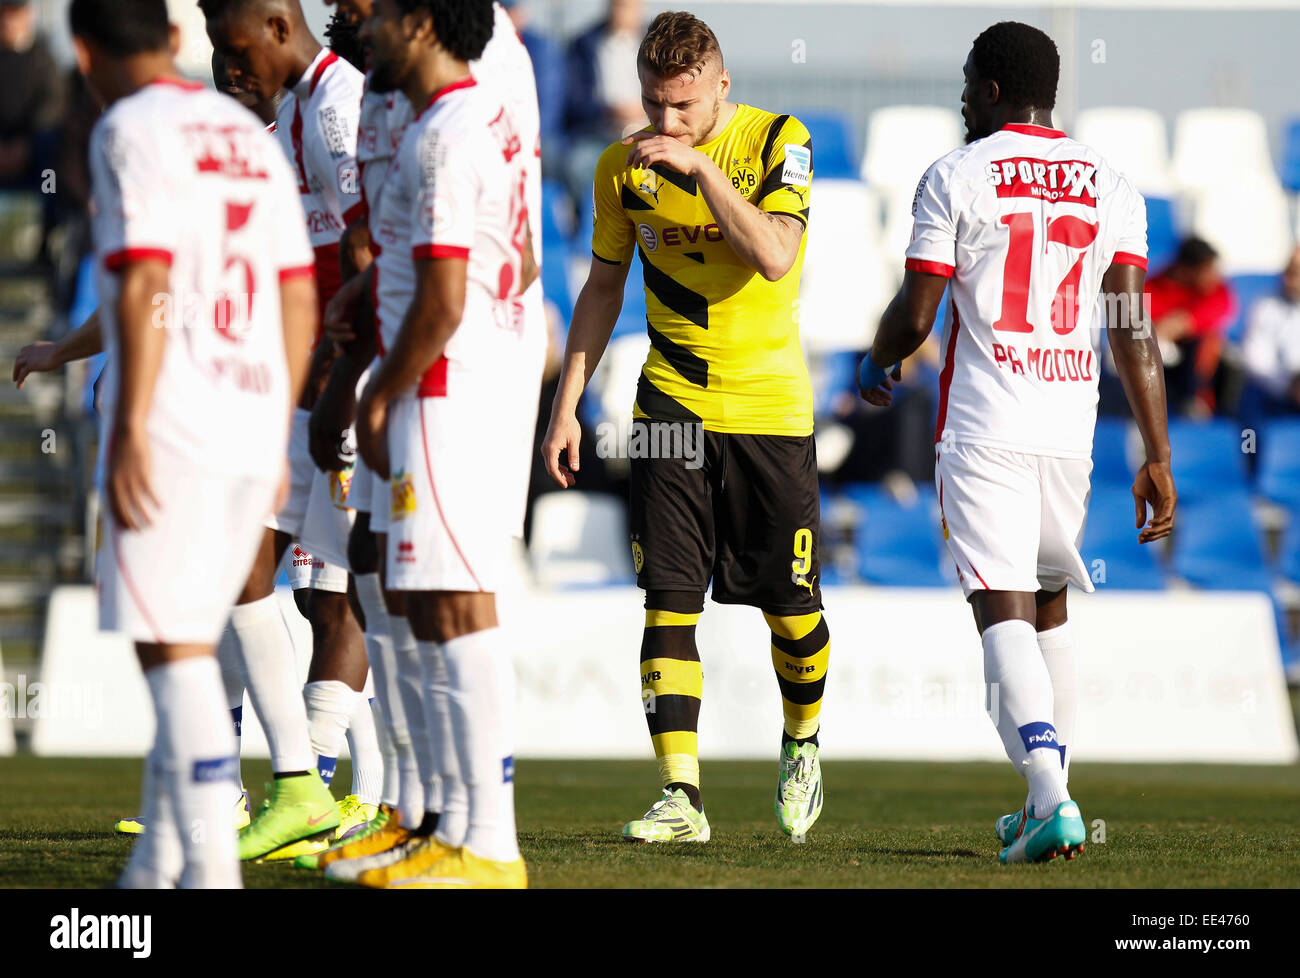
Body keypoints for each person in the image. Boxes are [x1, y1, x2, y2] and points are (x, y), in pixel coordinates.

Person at [858, 21, 1176, 864]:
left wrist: (876, 359)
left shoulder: (955, 174)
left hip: (985, 427)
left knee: (1000, 604)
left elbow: (918, 313)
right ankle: (1047, 796)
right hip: (1069, 430)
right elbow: (1131, 325)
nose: (961, 97)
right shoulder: (1111, 181)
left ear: (993, 89)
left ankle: (1051, 798)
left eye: (967, 82)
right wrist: (1159, 452)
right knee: (1048, 604)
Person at [542, 11, 830, 844]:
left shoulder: (780, 140)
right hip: (671, 405)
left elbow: (774, 254)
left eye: (684, 106)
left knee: (791, 608)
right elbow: (601, 290)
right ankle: (681, 796)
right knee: (668, 596)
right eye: (653, 105)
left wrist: (701, 169)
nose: (665, 123)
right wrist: (566, 404)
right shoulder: (618, 170)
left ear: (721, 88)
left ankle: (802, 741)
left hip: (770, 412)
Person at [68, 0, 316, 886]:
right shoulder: (248, 133)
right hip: (254, 421)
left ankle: (209, 873)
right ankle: (158, 867)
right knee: (195, 643)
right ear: (175, 39)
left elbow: (144, 277)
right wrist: (280, 421)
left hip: (172, 423)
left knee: (172, 655)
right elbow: (296, 293)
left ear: (83, 48)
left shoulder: (127, 128)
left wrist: (129, 425)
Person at [345, 0, 539, 890]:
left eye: (379, 15)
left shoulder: (446, 134)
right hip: (456, 380)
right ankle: (454, 828)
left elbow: (442, 297)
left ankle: (489, 844)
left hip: (446, 387)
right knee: (428, 604)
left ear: (420, 24)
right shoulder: (475, 118)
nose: (363, 30)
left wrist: (378, 395)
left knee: (458, 606)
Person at [203, 0, 379, 861]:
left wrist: (344, 377)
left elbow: (368, 251)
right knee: (246, 567)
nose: (226, 67)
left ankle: (390, 796)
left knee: (357, 591)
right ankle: (299, 783)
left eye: (233, 48)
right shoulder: (297, 108)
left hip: (352, 376)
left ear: (277, 26)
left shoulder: (339, 100)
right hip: (308, 378)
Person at [561, 0, 645, 207]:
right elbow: (573, 100)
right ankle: (585, 226)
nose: (622, 12)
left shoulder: (658, 43)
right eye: (618, 5)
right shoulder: (583, 45)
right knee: (577, 165)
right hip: (597, 133)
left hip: (648, 132)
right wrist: (610, 111)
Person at [0, 0, 65, 258]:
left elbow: (52, 105)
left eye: (14, 14)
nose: (7, 22)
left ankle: (48, 236)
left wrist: (24, 146)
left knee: (51, 174)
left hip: (34, 153)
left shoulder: (44, 58)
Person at [1146, 235, 1236, 416]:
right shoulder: (1152, 287)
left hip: (1200, 368)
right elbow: (1144, 330)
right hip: (1159, 363)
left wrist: (1182, 322)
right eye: (1207, 269)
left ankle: (1200, 404)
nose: (1214, 275)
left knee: (1210, 341)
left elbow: (1222, 308)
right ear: (1186, 270)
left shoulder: (1215, 288)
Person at [1238, 247, 1300, 423]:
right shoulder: (1266, 306)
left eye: (1296, 272)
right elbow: (1256, 360)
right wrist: (1289, 385)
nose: (1290, 279)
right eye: (1288, 271)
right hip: (1275, 395)